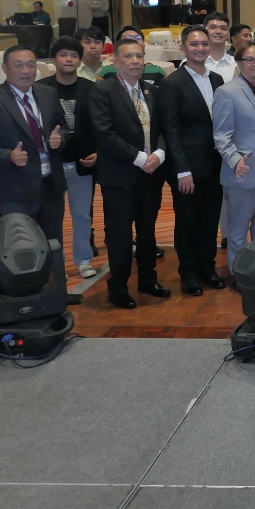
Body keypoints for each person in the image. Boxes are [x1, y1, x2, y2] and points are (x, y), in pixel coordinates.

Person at [0, 45, 82, 306]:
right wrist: (7, 156)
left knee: (53, 242)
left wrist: (60, 138)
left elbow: (62, 127)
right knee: (20, 249)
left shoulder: (47, 93)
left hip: (50, 183)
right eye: (19, 65)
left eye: (31, 65)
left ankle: (57, 293)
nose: (26, 71)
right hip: (15, 187)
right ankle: (24, 300)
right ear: (5, 68)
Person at [87, 37, 168, 308]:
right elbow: (104, 133)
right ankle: (118, 288)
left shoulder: (151, 90)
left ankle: (148, 280)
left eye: (139, 56)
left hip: (150, 174)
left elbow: (163, 127)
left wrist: (159, 154)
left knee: (147, 231)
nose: (135, 62)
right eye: (128, 57)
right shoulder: (103, 91)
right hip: (119, 176)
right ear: (115, 61)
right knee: (120, 235)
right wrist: (139, 157)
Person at [158, 25, 227, 296]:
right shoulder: (172, 83)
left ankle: (207, 268)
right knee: (187, 221)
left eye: (204, 44)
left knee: (210, 219)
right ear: (183, 48)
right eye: (194, 44)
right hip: (187, 167)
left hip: (215, 164)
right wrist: (181, 170)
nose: (200, 48)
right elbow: (170, 130)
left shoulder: (217, 79)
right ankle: (188, 273)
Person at [213, 42, 255, 282]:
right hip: (242, 170)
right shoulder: (227, 92)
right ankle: (239, 274)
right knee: (238, 230)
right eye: (250, 60)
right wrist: (235, 161)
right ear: (239, 63)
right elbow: (221, 135)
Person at [37, 37, 99, 279]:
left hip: (83, 163)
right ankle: (56, 265)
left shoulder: (91, 88)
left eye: (74, 55)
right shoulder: (41, 89)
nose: (69, 59)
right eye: (63, 54)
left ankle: (83, 261)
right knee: (52, 219)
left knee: (82, 216)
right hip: (51, 164)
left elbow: (100, 126)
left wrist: (98, 152)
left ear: (80, 60)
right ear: (53, 60)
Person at [204, 12, 237, 83]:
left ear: (228, 34)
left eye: (223, 28)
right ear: (204, 31)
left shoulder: (236, 64)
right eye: (213, 27)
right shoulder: (192, 63)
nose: (218, 31)